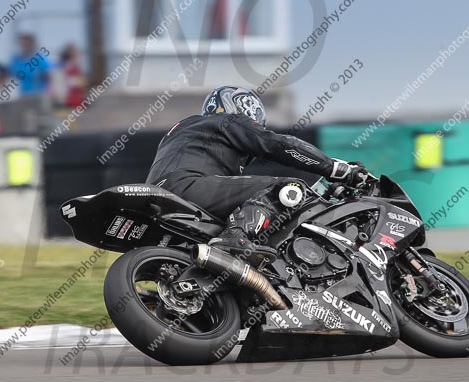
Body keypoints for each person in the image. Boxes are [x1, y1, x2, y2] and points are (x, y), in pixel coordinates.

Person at [145, 86, 367, 263]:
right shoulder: (226, 121)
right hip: (187, 187)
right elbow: (276, 145)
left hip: (160, 197)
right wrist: (335, 168)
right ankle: (235, 237)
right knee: (288, 188)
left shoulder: (186, 133)